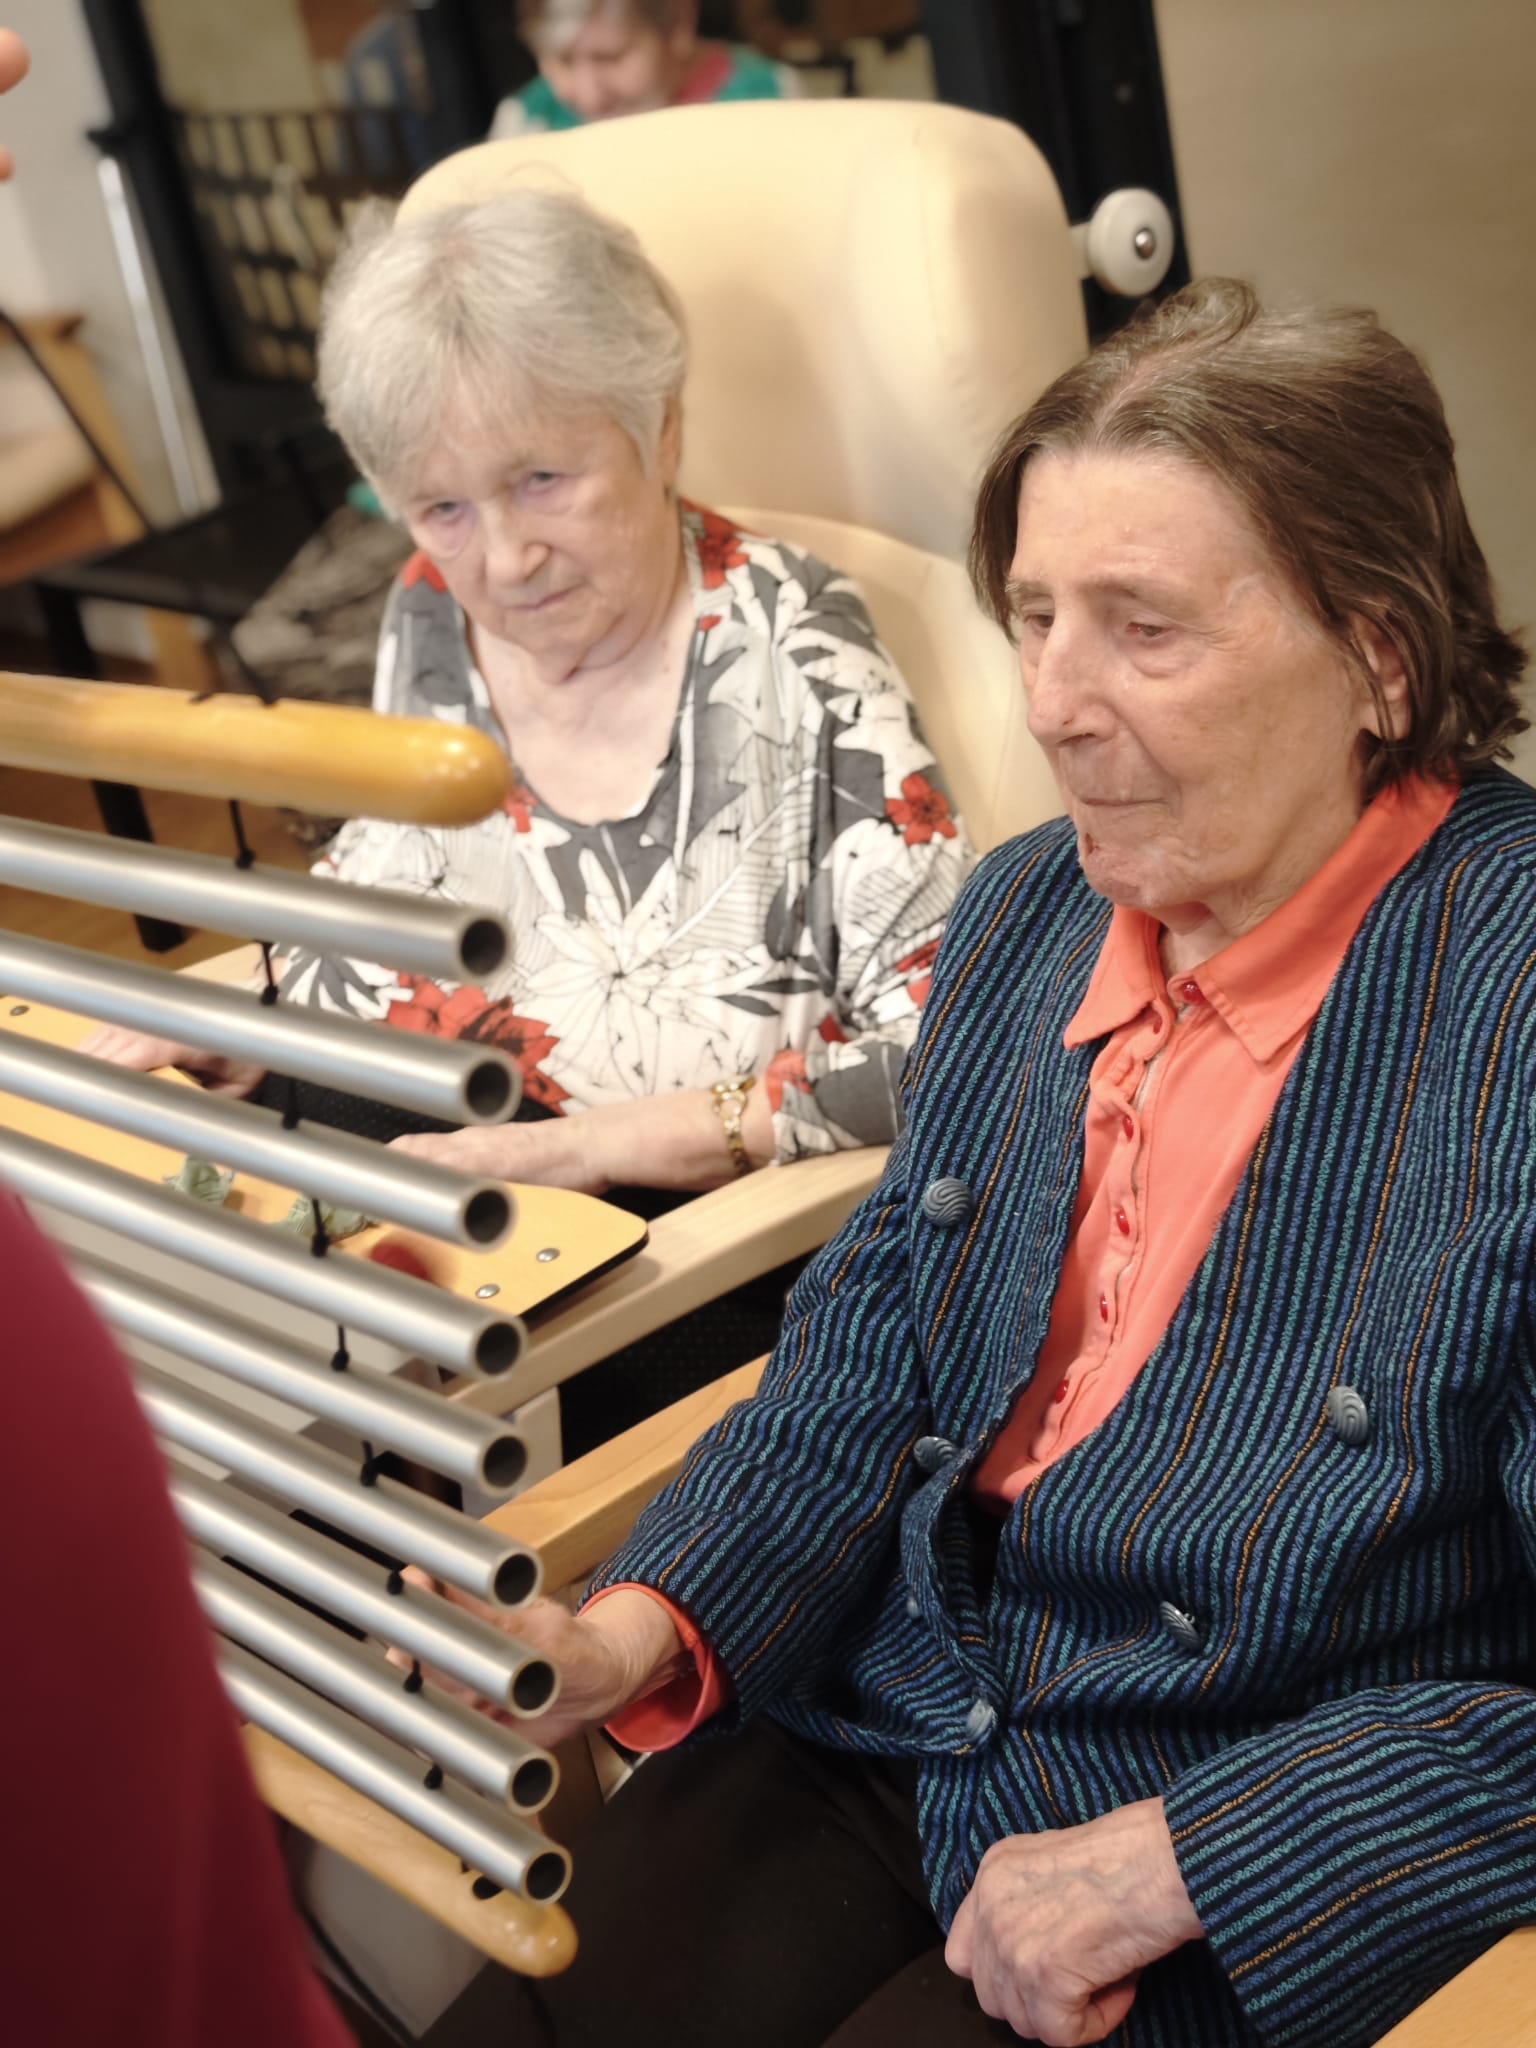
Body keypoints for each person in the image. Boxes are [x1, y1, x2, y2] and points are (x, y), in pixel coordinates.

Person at [424, 277, 1536, 2048]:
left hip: (1241, 1789)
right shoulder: (1028, 913)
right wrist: (634, 1626)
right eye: (1031, 616)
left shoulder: (1509, 1003)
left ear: (1380, 654)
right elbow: (869, 1358)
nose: (1052, 705)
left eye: (1142, 629)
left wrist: (1203, 1857)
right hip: (910, 1695)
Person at [490, 0, 798, 138]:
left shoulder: (769, 99)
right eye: (563, 61)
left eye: (610, 58)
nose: (589, 95)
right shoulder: (526, 122)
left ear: (678, 25)